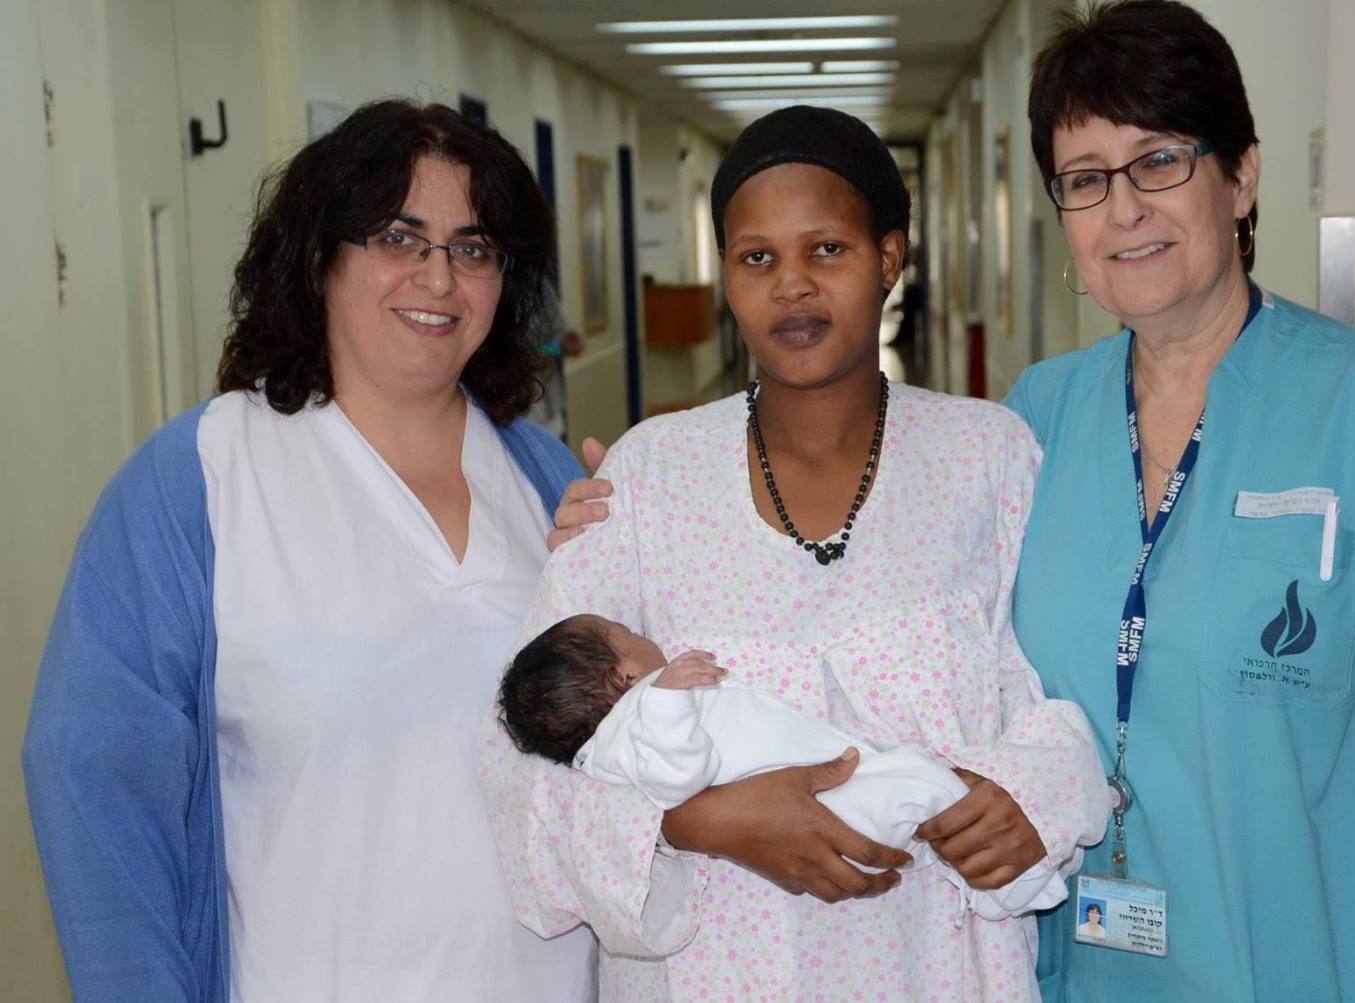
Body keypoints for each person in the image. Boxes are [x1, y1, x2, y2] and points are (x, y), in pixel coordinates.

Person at [475, 104, 1112, 1001]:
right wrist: (700, 820)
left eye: (827, 250)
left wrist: (1028, 795)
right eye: (757, 258)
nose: (792, 287)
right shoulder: (650, 475)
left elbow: (1067, 685)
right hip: (713, 974)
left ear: (890, 258)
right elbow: (523, 758)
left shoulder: (989, 455)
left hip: (933, 961)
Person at [1008, 3, 1355, 1001]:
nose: (1123, 209)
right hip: (1085, 974)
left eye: (1160, 161)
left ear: (1243, 175)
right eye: (1086, 180)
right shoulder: (1035, 419)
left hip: (1320, 967)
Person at [22, 100, 594, 1002]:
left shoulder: (542, 475)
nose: (438, 278)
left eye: (472, 248)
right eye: (399, 238)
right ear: (319, 257)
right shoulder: (203, 477)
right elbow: (94, 780)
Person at [499, 614, 1096, 921]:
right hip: (822, 805)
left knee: (923, 790)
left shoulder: (624, 729)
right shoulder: (644, 717)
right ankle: (1017, 889)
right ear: (625, 677)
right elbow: (674, 777)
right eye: (630, 634)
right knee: (924, 785)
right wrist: (669, 698)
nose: (646, 636)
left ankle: (1005, 881)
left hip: (824, 789)